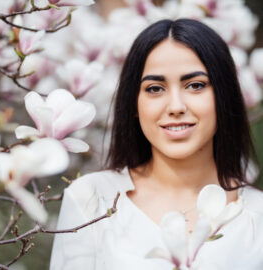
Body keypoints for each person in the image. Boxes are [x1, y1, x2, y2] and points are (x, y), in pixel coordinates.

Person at [50, 19, 263, 270]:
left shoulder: (256, 217)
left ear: (223, 97)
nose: (175, 107)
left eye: (195, 85)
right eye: (154, 88)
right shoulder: (92, 199)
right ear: (134, 105)